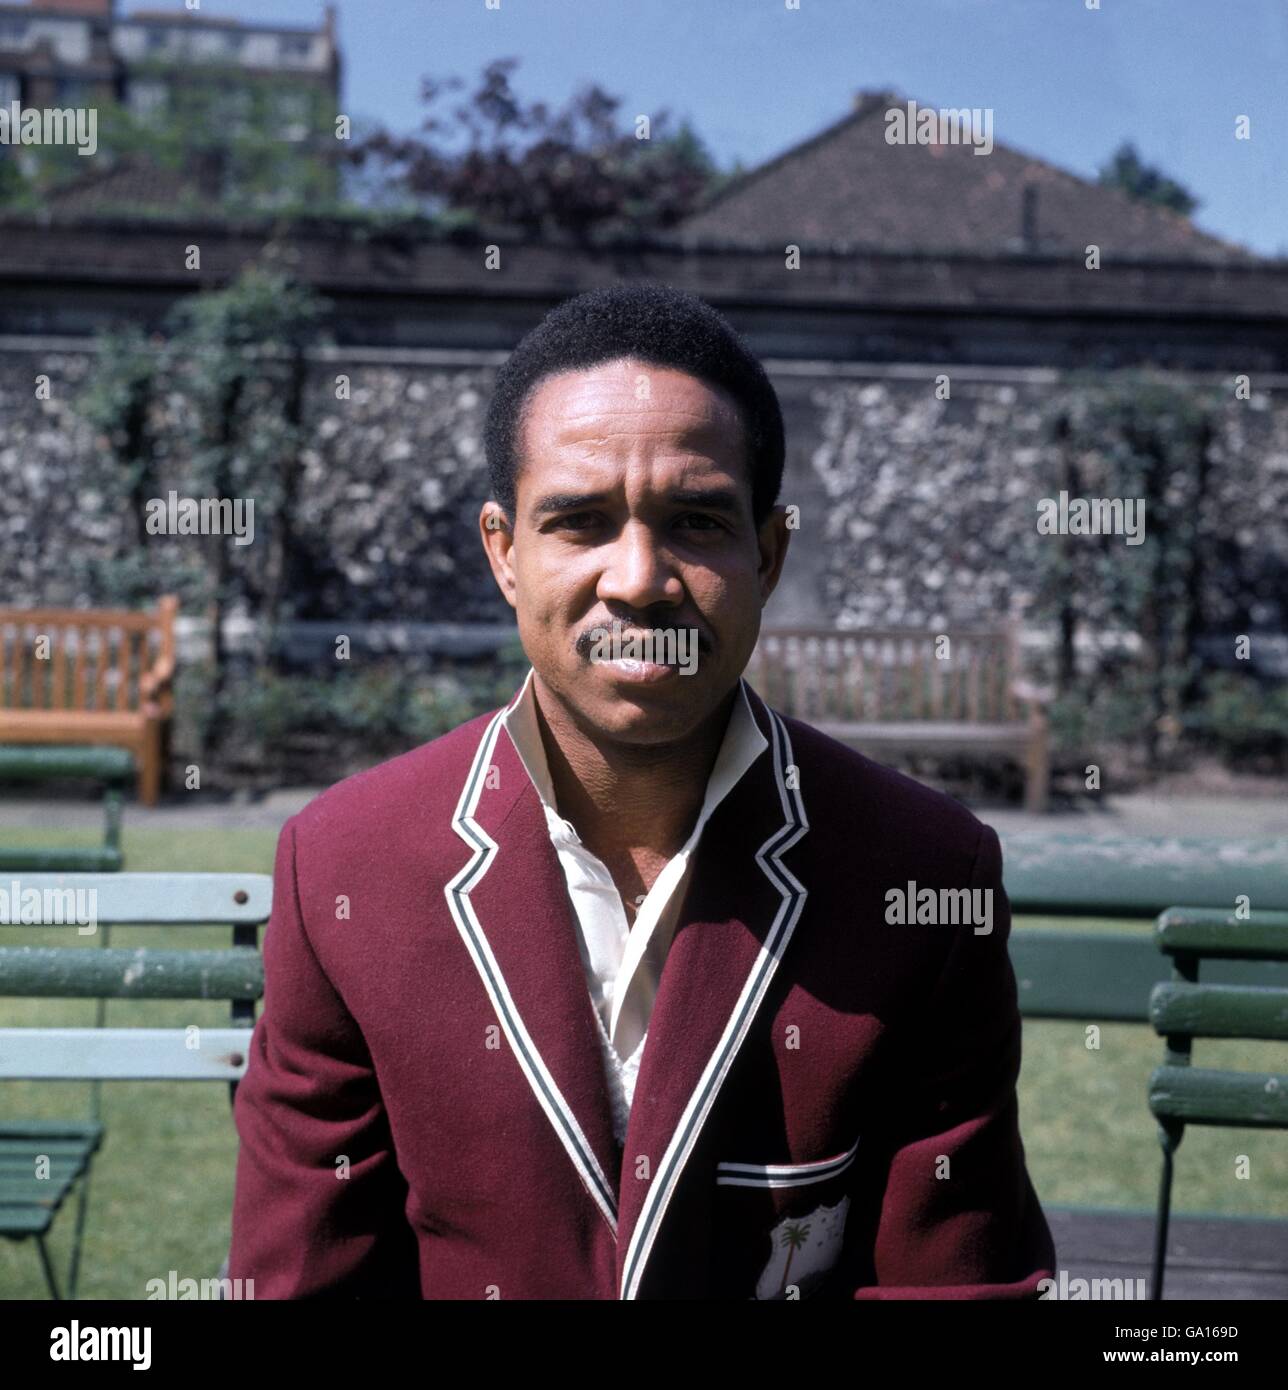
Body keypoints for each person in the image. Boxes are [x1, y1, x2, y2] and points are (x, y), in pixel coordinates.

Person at [228, 281, 1056, 1300]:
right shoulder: (346, 869)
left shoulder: (923, 877)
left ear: (767, 551)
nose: (638, 576)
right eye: (578, 520)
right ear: (504, 554)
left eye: (696, 519)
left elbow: (953, 1289)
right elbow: (306, 1278)